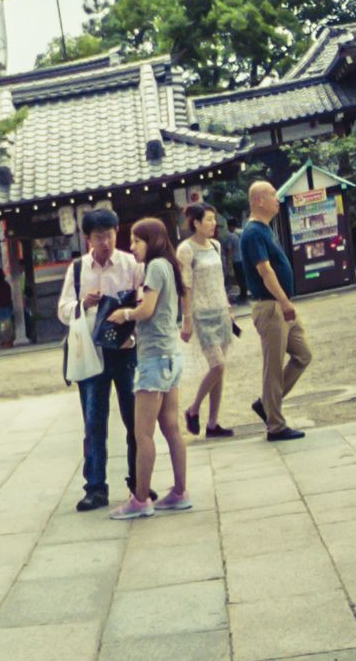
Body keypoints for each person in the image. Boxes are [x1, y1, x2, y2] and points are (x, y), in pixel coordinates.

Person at [64, 214, 144, 508]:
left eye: (109, 234)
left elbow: (143, 304)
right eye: (99, 236)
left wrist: (131, 328)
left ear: (116, 232)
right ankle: (96, 487)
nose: (105, 242)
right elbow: (62, 308)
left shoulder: (130, 264)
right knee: (94, 421)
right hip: (92, 351)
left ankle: (139, 482)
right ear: (88, 239)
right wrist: (82, 303)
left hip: (125, 349)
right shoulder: (77, 269)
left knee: (135, 419)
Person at [114, 216, 192, 517]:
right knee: (171, 428)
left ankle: (140, 499)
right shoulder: (169, 266)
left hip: (153, 358)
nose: (132, 247)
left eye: (137, 241)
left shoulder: (155, 267)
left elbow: (146, 310)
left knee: (142, 433)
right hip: (170, 355)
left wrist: (124, 314)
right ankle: (180, 492)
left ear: (153, 241)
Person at [237, 181, 310, 438]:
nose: (276, 198)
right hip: (271, 306)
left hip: (279, 304)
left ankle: (266, 404)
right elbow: (265, 271)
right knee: (273, 366)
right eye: (271, 194)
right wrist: (284, 302)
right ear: (258, 200)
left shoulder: (265, 229)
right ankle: (276, 425)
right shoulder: (253, 233)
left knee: (303, 354)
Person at [179, 204, 237, 438]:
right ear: (196, 223)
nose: (214, 224)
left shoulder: (215, 245)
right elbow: (185, 286)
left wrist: (228, 307)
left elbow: (219, 280)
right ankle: (193, 410)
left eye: (214, 219)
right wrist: (186, 320)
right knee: (217, 365)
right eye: (209, 219)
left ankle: (213, 423)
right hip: (202, 315)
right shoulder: (186, 249)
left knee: (219, 369)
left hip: (221, 311)